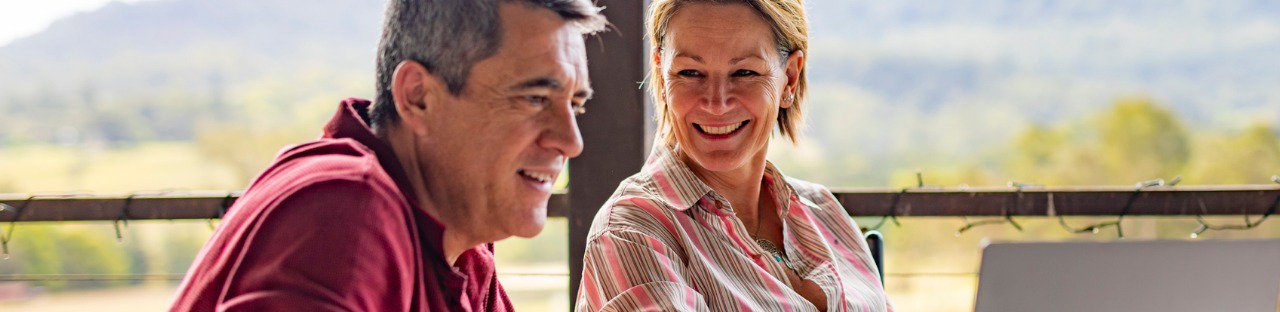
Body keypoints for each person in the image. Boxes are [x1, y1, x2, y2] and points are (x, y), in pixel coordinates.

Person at [170, 1, 605, 310]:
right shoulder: (346, 211)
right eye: (533, 99)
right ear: (418, 97)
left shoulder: (463, 247)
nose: (572, 141)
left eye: (576, 105)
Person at [574, 0, 892, 310]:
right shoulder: (632, 232)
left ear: (790, 79)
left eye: (744, 73)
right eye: (690, 73)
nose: (717, 102)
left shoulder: (824, 212)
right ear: (661, 73)